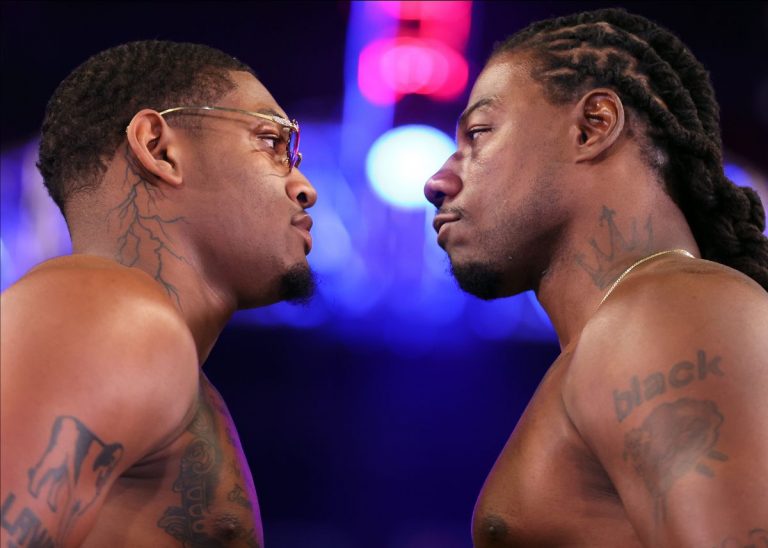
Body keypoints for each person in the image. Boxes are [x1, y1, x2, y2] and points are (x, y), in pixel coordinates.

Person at [424, 8, 768, 547]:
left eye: (479, 133)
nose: (436, 180)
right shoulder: (629, 325)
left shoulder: (664, 310)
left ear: (593, 126)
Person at [1, 40, 316, 547]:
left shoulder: (146, 342)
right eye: (271, 142)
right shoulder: (107, 312)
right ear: (159, 148)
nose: (304, 187)